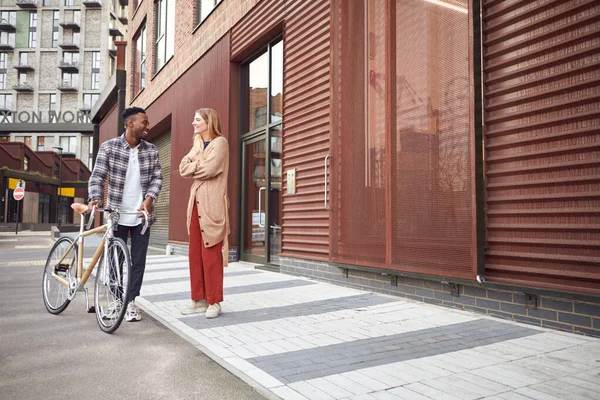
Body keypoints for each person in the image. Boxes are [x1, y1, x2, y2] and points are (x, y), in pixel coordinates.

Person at [88, 106, 163, 322]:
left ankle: (130, 303)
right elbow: (97, 177)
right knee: (114, 261)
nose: (147, 126)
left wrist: (148, 201)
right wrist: (96, 198)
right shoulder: (109, 147)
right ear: (130, 124)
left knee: (138, 262)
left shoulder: (151, 150)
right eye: (144, 123)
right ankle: (117, 301)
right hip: (116, 214)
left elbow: (157, 178)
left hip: (141, 216)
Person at [179, 108, 229, 319]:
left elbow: (210, 170)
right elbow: (182, 168)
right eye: (193, 119)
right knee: (195, 255)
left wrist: (196, 165)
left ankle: (214, 302)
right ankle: (198, 300)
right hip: (195, 205)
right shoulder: (197, 144)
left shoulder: (220, 143)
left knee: (211, 255)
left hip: (212, 205)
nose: (193, 123)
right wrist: (199, 164)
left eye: (197, 120)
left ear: (209, 122)